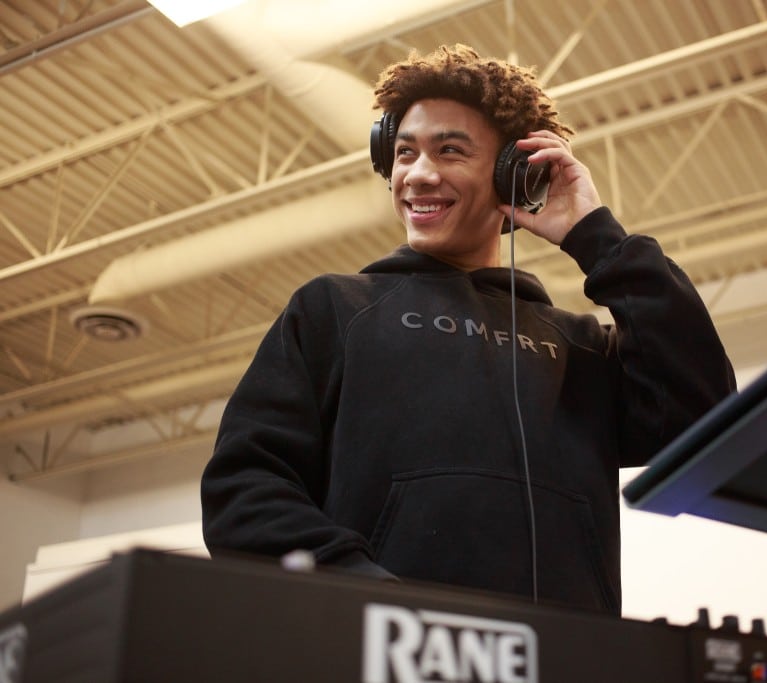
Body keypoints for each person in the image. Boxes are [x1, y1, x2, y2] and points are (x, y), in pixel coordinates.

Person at [200, 44, 735, 615]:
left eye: (450, 151)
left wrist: (596, 236)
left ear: (513, 175)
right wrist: (366, 599)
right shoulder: (334, 310)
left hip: (560, 660)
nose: (419, 175)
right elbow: (245, 490)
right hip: (384, 652)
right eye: (405, 153)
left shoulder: (578, 348)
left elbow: (704, 415)